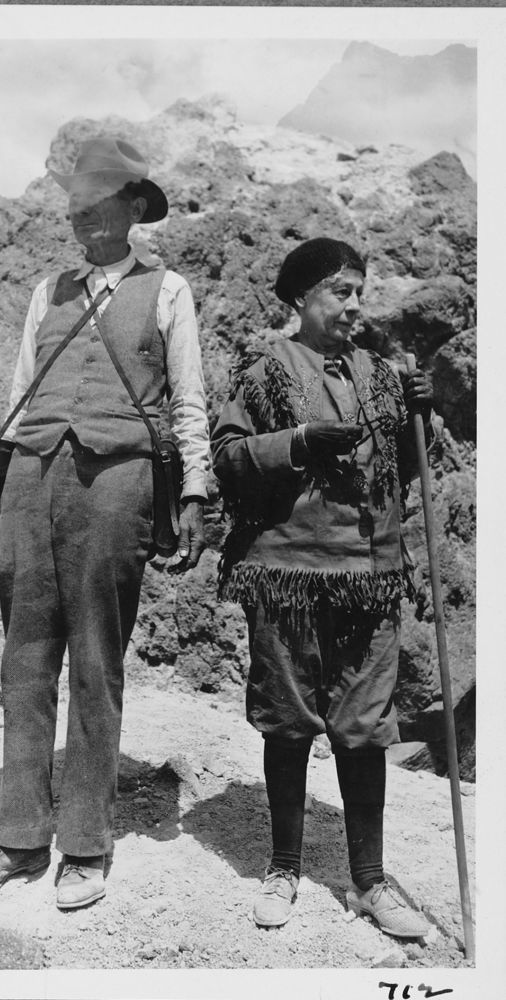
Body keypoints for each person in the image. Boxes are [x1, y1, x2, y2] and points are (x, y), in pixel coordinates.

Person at [0, 136, 210, 909]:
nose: (83, 221)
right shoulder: (48, 292)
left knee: (97, 660)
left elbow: (188, 402)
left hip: (118, 483)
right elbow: (19, 397)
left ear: (133, 209)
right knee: (25, 661)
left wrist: (194, 495)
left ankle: (87, 845)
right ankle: (18, 837)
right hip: (31, 477)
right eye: (75, 210)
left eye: (98, 207)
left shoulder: (168, 290)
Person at [211, 237, 433, 938]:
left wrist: (421, 414)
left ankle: (369, 881)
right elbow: (227, 458)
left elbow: (406, 469)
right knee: (288, 718)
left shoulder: (383, 374)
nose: (355, 304)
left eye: (360, 291)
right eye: (341, 291)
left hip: (371, 576)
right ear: (302, 298)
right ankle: (283, 868)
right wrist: (300, 441)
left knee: (365, 726)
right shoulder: (265, 370)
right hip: (288, 574)